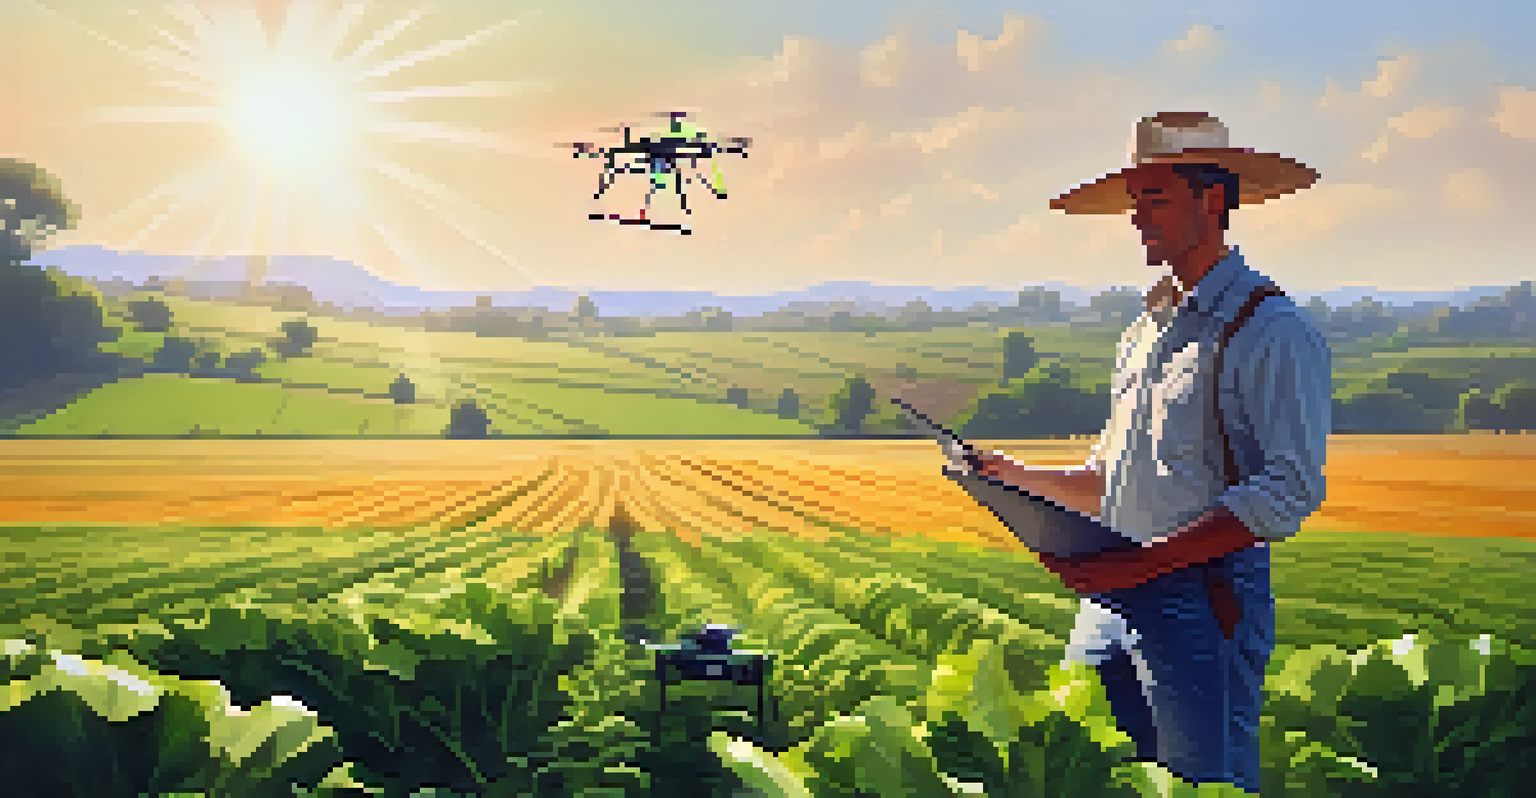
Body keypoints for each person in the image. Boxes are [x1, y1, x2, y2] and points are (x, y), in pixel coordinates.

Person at [971, 111, 1332, 793]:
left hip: (1202, 600)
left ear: (1214, 199)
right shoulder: (1142, 331)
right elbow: (1108, 478)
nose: (1138, 218)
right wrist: (1012, 477)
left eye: (1154, 197)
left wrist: (1147, 564)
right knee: (1101, 778)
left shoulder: (1271, 328)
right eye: (1135, 201)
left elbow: (1288, 490)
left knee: (1204, 785)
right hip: (1111, 602)